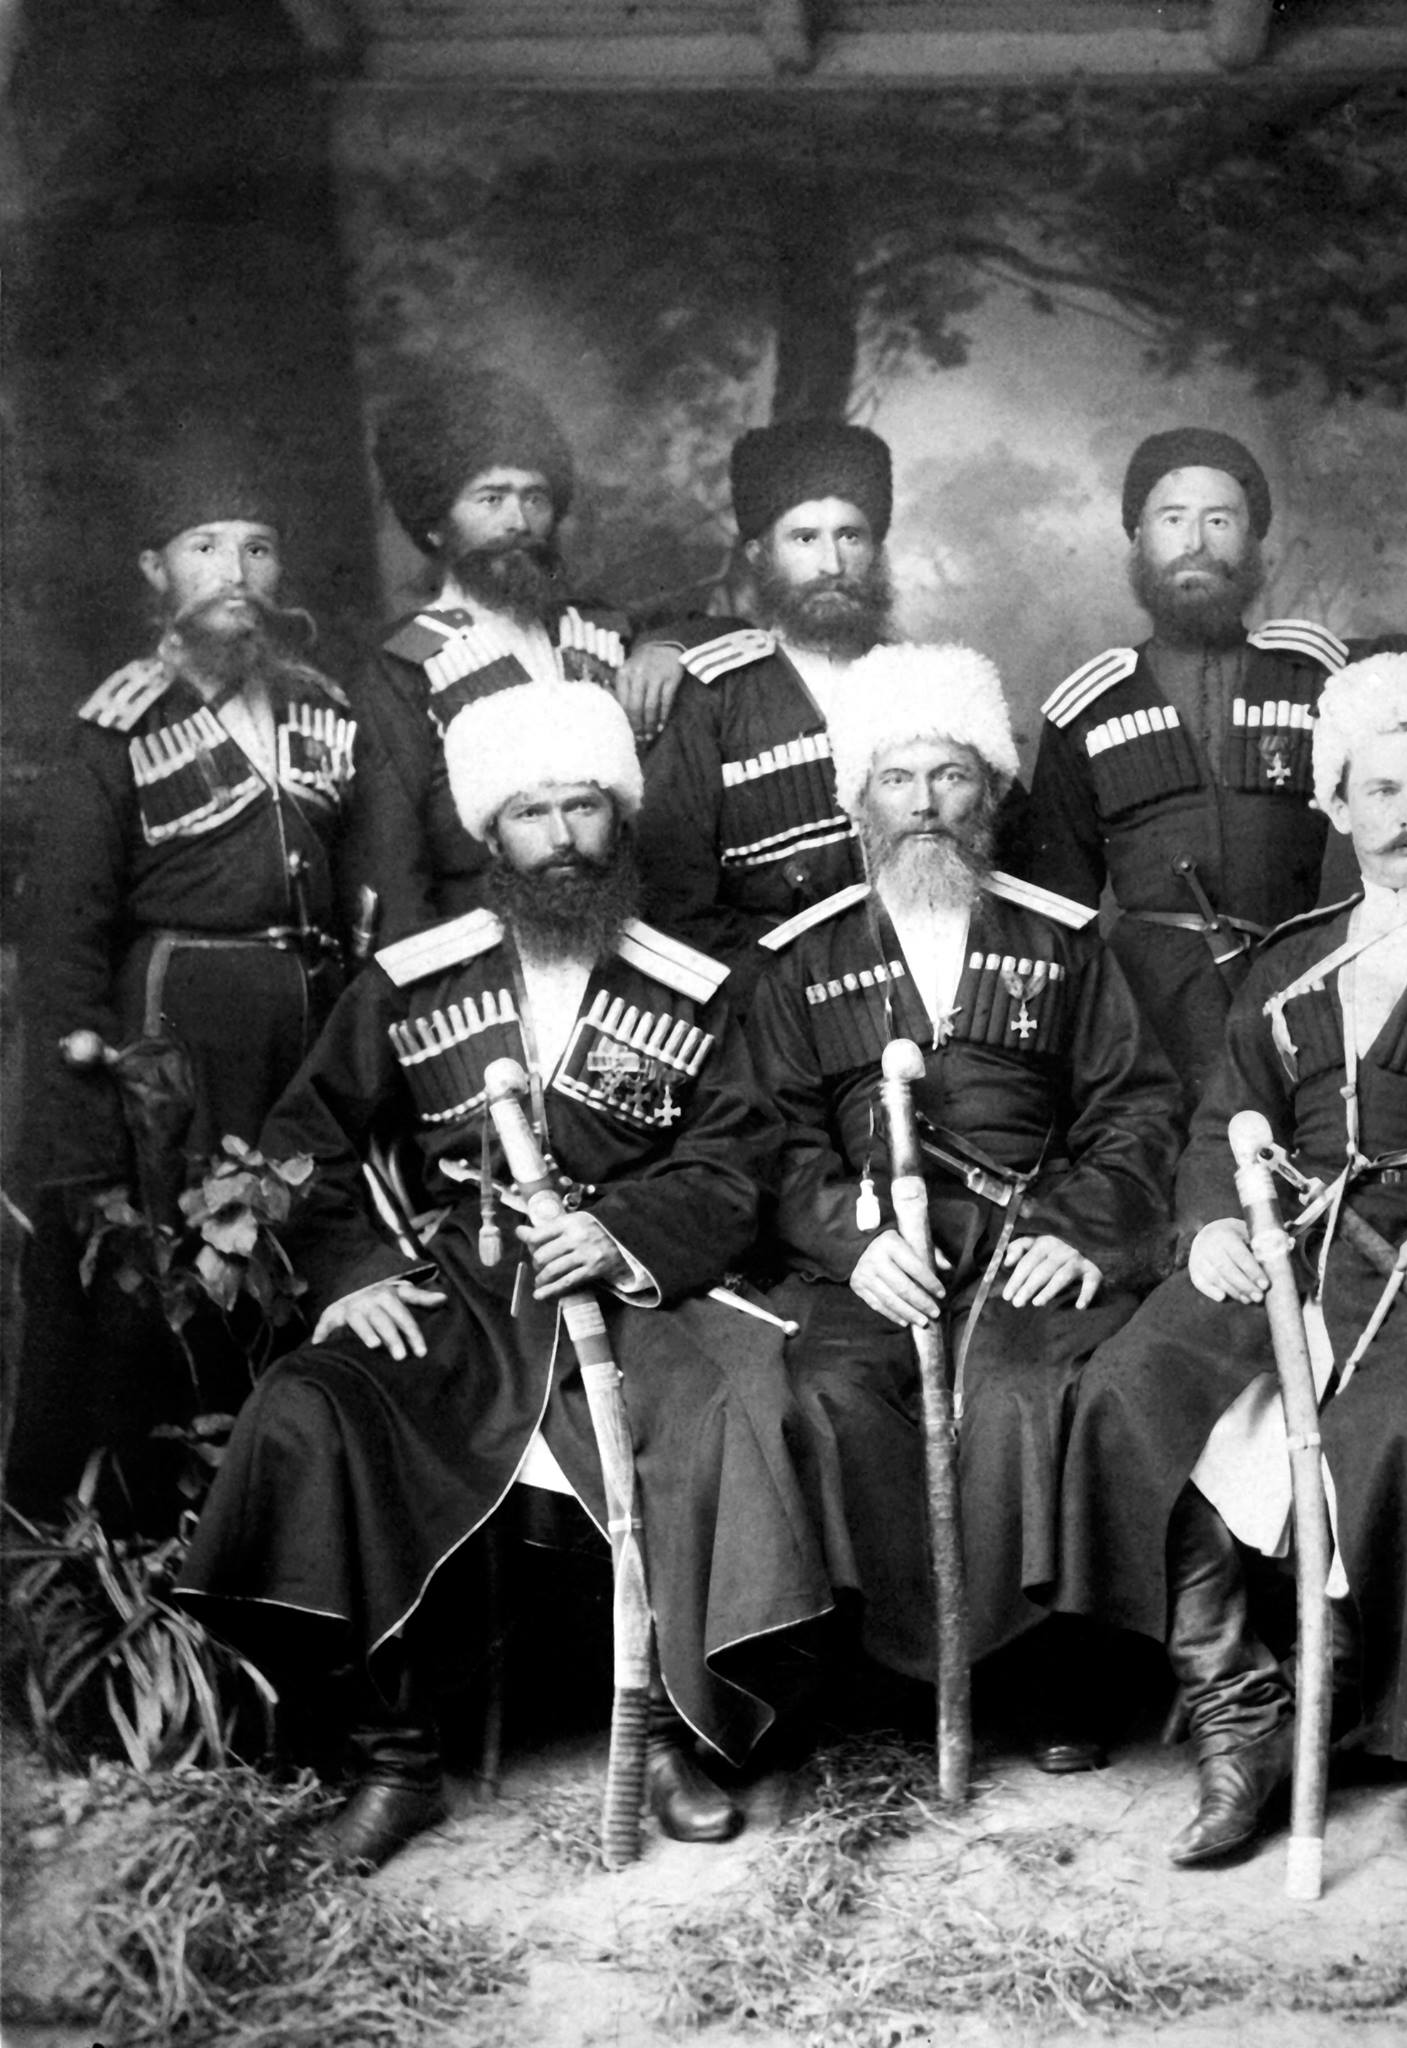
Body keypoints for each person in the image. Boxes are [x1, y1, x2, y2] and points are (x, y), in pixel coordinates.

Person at [177, 668, 829, 1869]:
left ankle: (673, 1731)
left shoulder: (694, 987)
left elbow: (736, 1160)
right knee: (309, 1404)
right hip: (463, 1289)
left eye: (584, 806)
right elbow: (301, 1146)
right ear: (492, 832)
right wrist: (356, 1270)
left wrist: (622, 1233)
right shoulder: (412, 981)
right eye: (532, 811)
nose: (562, 836)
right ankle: (396, 1757)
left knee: (713, 1419)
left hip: (634, 1289)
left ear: (619, 819)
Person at [1057, 651, 1407, 1866]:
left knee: (1406, 1425)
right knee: (1131, 1384)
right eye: (1381, 790)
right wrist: (1212, 1224)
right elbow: (1221, 1123)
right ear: (1335, 805)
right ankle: (1235, 1703)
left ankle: (1345, 1702)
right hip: (1283, 1238)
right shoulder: (1289, 956)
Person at [743, 642, 1183, 1769]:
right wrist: (855, 1244)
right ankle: (900, 1674)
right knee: (831, 1391)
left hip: (1027, 1240)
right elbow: (779, 1142)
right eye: (898, 778)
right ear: (859, 801)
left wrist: (1077, 1233)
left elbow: (1135, 1111)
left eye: (951, 775)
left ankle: (1040, 1675)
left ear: (989, 792)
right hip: (878, 1256)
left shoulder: (1061, 939)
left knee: (1025, 1391)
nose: (925, 804)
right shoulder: (801, 960)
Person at [10, 444, 364, 1508]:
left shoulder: (321, 709)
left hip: (310, 1025)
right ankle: (160, 1524)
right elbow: (67, 925)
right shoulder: (119, 725)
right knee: (175, 1276)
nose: (234, 571)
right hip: (177, 1041)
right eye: (204, 546)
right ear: (154, 570)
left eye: (257, 547)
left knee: (305, 1248)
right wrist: (85, 1080)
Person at [1021, 427, 1407, 1108]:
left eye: (1219, 520)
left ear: (1252, 542)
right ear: (1138, 537)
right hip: (1148, 1015)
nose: (1195, 541)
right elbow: (1054, 912)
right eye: (1173, 519)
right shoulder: (1089, 708)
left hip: (1307, 981)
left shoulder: (1318, 671)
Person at [356, 362, 687, 943]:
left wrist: (671, 647)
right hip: (484, 944)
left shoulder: (605, 630)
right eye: (491, 499)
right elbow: (394, 857)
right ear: (436, 524)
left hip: (627, 931)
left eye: (534, 497)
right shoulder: (404, 665)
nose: (518, 521)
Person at [635, 420, 915, 982]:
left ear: (876, 549)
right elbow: (675, 907)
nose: (832, 563)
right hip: (772, 1002)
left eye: (850, 536)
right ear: (760, 554)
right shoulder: (709, 697)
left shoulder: (925, 680)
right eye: (804, 538)